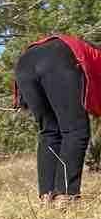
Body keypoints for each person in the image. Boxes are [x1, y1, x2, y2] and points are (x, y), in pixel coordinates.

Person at [13, 33, 101, 201]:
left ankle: (47, 197)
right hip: (58, 58)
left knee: (49, 131)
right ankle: (65, 196)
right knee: (75, 130)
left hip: (25, 62)